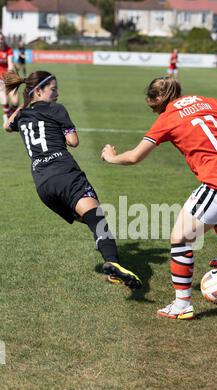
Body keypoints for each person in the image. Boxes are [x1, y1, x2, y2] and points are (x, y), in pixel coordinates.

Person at [101, 77, 217, 319]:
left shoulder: (166, 119)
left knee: (180, 238)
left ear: (157, 99)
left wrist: (111, 157)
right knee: (213, 209)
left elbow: (134, 157)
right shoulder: (208, 101)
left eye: (150, 101)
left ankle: (182, 305)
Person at [3, 70, 142, 289]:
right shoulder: (56, 109)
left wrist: (25, 103)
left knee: (89, 219)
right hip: (65, 174)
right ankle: (113, 264)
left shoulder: (22, 116)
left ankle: (112, 260)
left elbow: (7, 126)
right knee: (97, 219)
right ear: (38, 90)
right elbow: (73, 141)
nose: (57, 94)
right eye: (53, 90)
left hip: (43, 185)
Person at [0, 32, 18, 127]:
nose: (0, 41)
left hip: (8, 77)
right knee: (5, 100)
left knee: (15, 101)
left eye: (1, 38)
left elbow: (10, 63)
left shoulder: (9, 50)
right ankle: (8, 119)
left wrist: (10, 74)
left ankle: (9, 115)